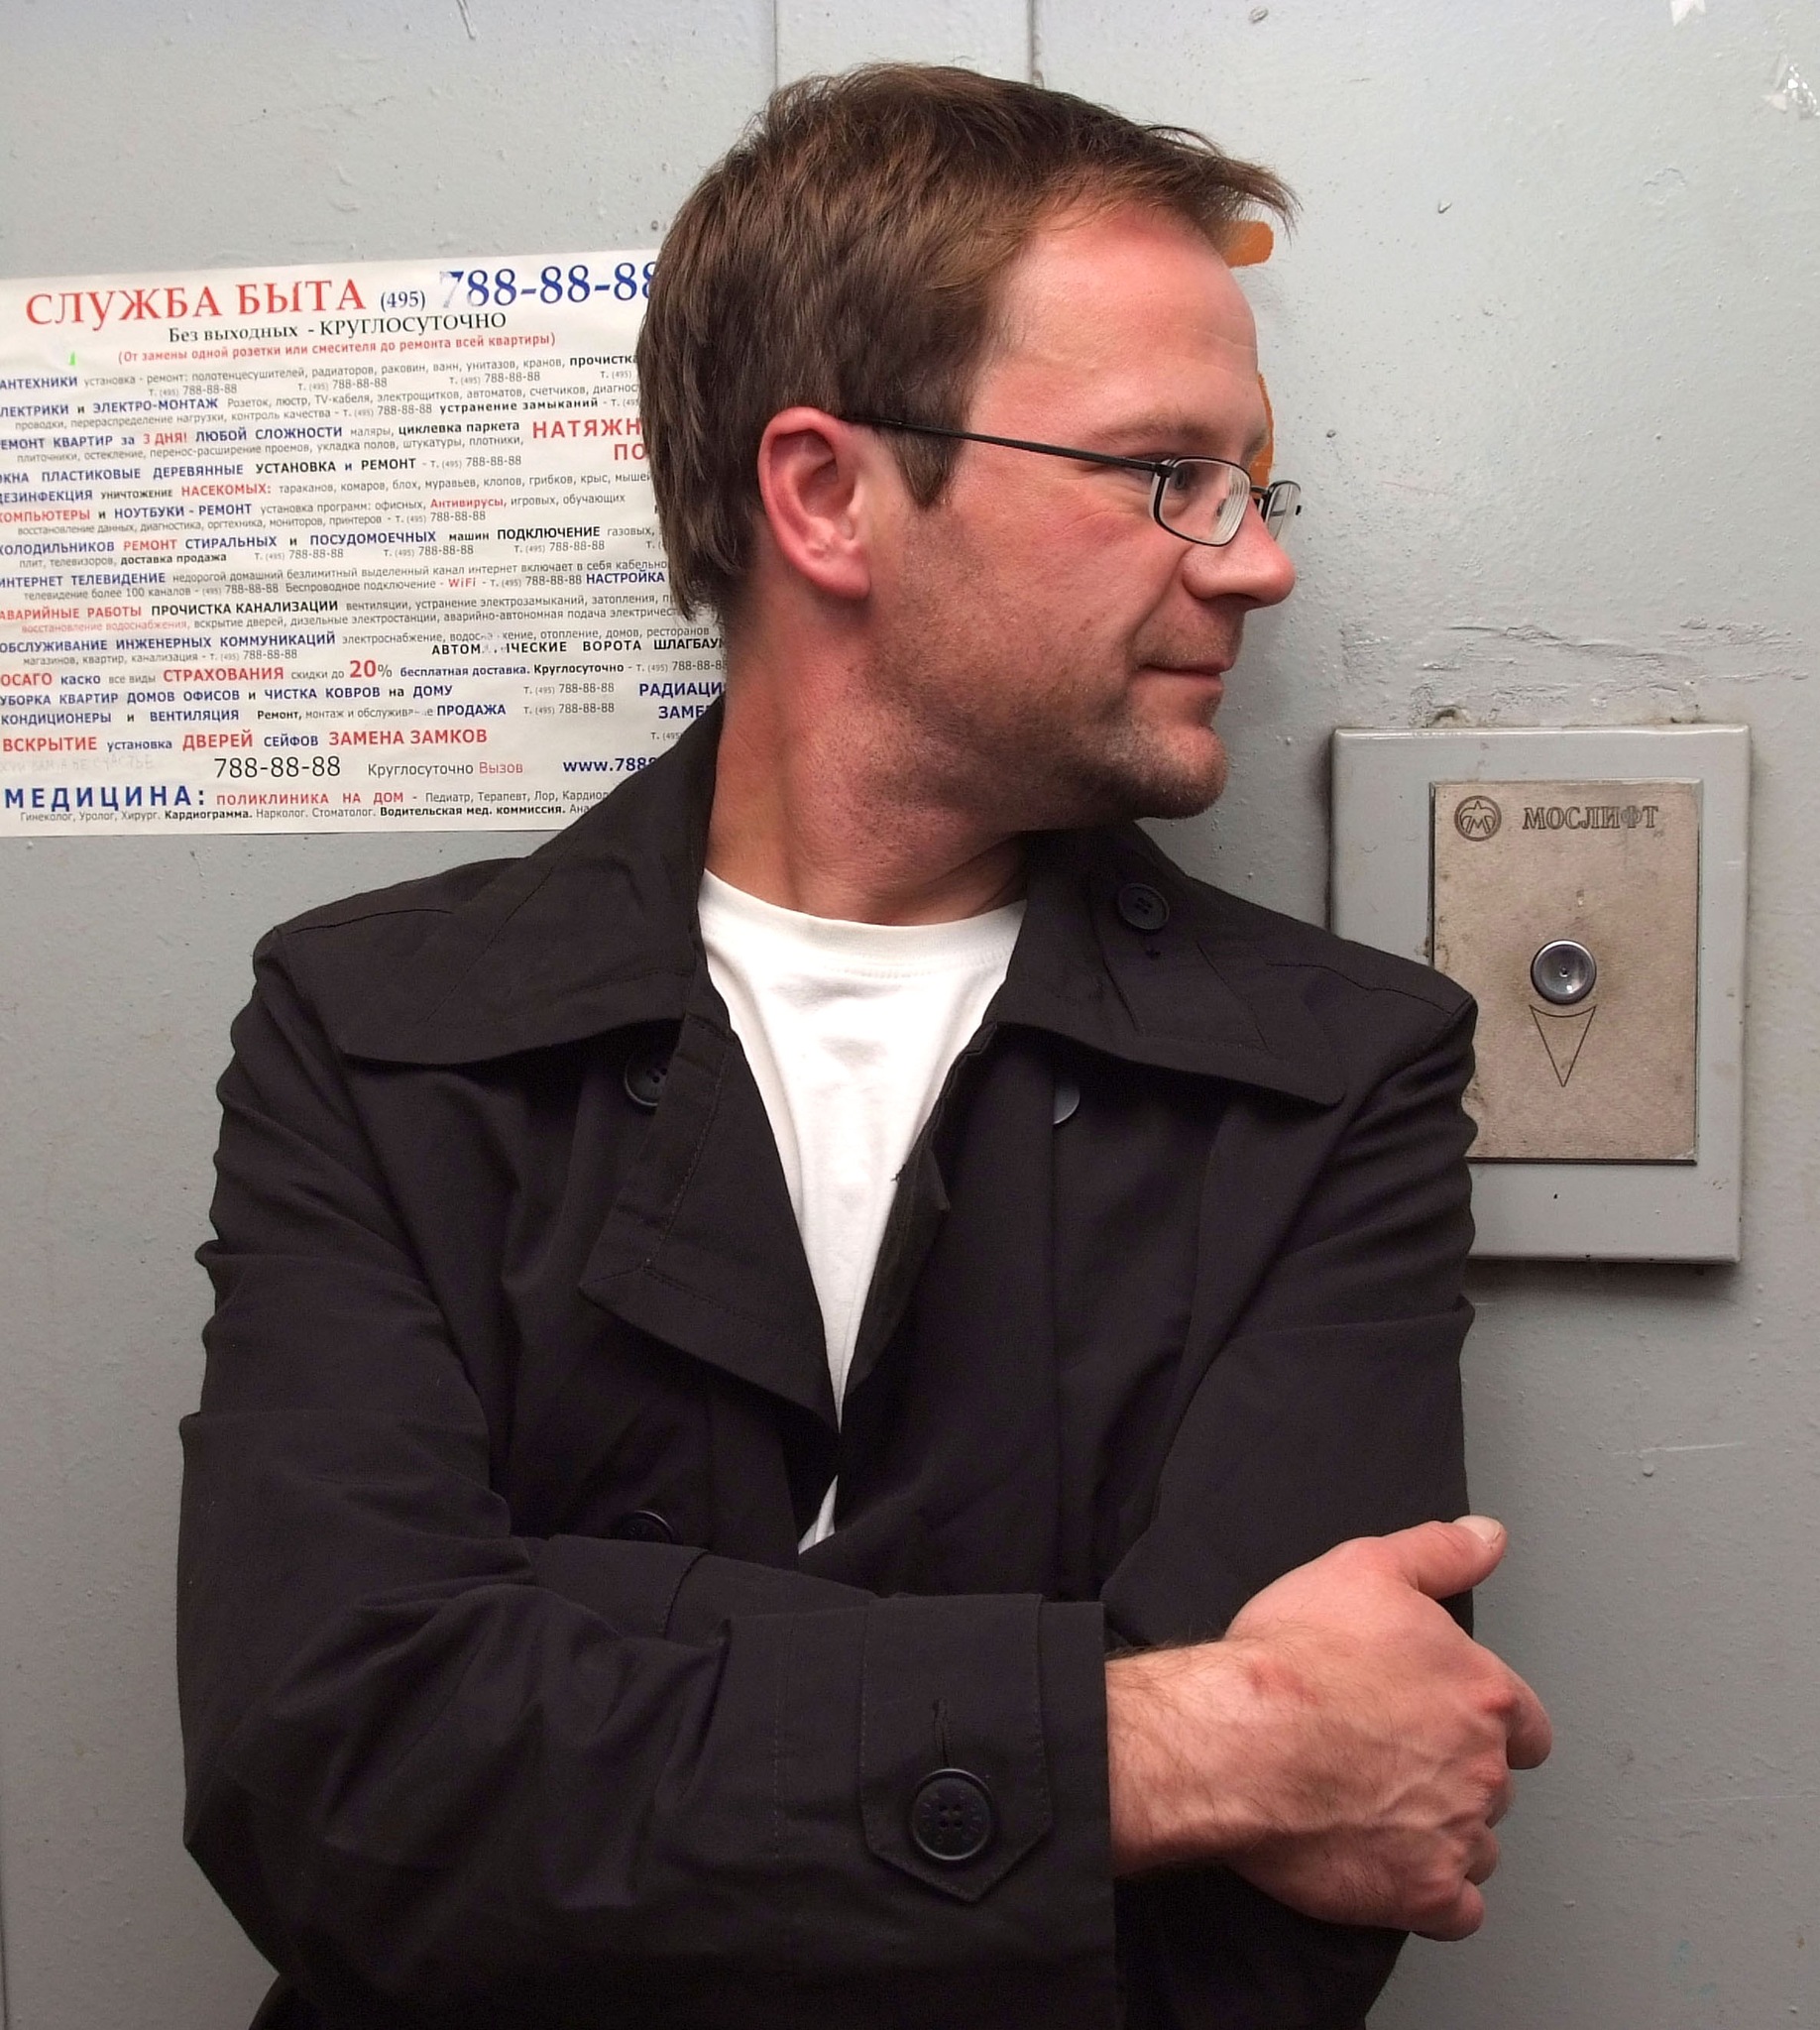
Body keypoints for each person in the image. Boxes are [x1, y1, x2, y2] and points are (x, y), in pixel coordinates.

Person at [178, 63, 1551, 2030]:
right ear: (825, 494)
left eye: (1255, 483)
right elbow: (340, 1790)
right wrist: (1197, 1732)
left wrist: (597, 1680)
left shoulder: (1344, 1076)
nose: (1257, 561)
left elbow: (1284, 1920)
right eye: (1166, 474)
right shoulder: (381, 1034)